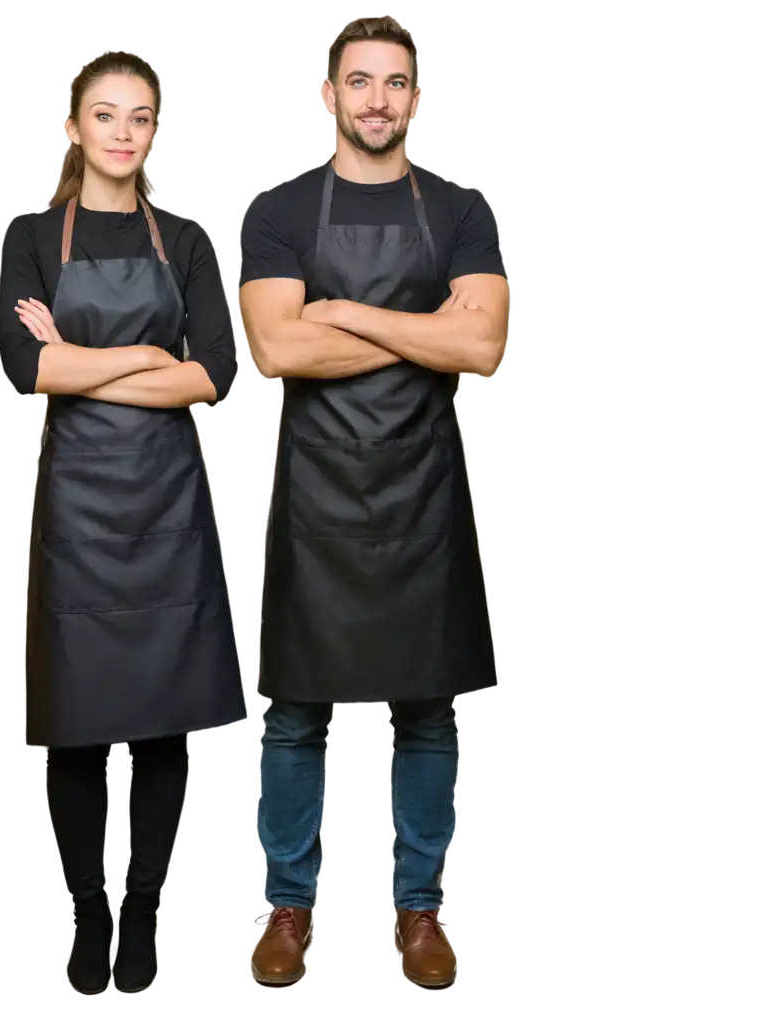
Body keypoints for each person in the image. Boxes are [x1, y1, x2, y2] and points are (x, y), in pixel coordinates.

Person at [237, 16, 511, 988]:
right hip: (318, 498)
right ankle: (285, 903)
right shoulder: (277, 210)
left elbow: (482, 348)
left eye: (394, 83)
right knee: (290, 716)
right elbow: (275, 350)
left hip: (423, 493)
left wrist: (344, 310)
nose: (377, 99)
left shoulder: (462, 207)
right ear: (328, 95)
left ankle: (421, 910)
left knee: (427, 713)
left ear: (416, 101)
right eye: (359, 81)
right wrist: (423, 328)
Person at [0, 49, 240, 996]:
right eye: (105, 115)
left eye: (140, 117)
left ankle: (142, 923)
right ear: (72, 129)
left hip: (169, 511)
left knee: (164, 727)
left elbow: (217, 373)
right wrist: (149, 359)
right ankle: (90, 916)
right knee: (82, 727)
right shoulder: (28, 233)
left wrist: (92, 351)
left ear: (153, 131)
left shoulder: (185, 233)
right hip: (80, 516)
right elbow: (31, 371)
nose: (123, 133)